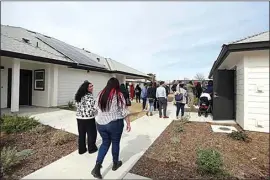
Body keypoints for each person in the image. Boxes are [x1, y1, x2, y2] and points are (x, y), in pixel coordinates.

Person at [91, 78, 131, 179]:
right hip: (114, 123)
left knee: (105, 143)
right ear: (117, 85)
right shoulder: (118, 95)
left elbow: (94, 109)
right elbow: (124, 111)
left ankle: (97, 167)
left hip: (100, 124)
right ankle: (115, 163)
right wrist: (128, 123)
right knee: (115, 143)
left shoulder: (101, 93)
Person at [74, 80, 97, 154]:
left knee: (81, 134)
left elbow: (76, 106)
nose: (92, 87)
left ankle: (82, 150)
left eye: (92, 86)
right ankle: (91, 148)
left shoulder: (78, 95)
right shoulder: (89, 96)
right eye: (90, 86)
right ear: (86, 88)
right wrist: (96, 111)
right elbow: (92, 107)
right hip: (89, 118)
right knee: (92, 134)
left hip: (79, 118)